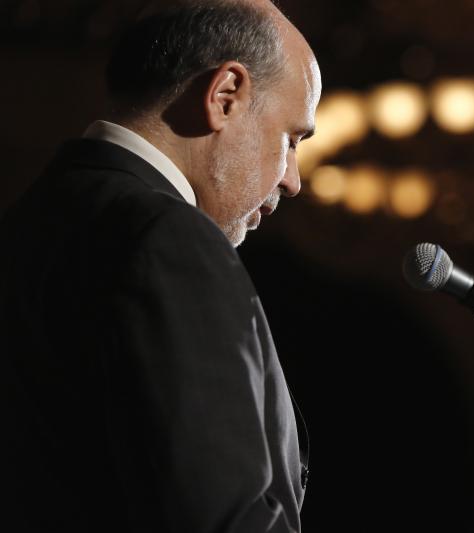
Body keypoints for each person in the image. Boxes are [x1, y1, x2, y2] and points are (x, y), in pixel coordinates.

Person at [0, 0, 321, 531]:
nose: (293, 179)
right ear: (224, 96)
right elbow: (221, 517)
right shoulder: (168, 239)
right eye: (291, 139)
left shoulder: (29, 222)